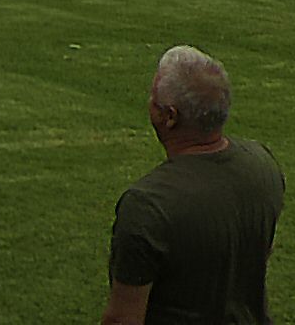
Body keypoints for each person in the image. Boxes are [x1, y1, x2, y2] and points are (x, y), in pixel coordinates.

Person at [102, 46, 285, 325]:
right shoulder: (262, 165)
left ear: (170, 117)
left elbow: (123, 319)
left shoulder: (148, 206)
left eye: (153, 98)